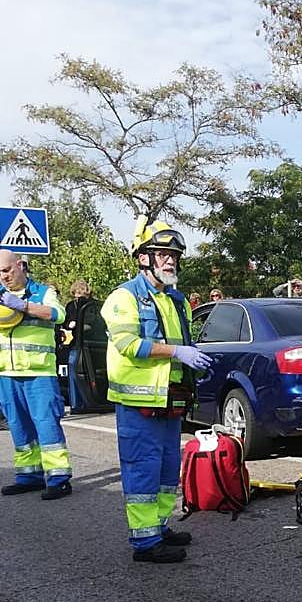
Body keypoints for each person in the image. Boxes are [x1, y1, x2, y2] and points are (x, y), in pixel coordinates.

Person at [102, 217, 212, 563]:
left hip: (169, 396)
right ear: (143, 257)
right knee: (142, 469)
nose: (170, 260)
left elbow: (181, 343)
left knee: (166, 470)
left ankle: (160, 527)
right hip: (138, 400)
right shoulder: (124, 296)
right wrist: (177, 352)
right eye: (162, 254)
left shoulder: (173, 298)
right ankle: (145, 542)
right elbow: (126, 343)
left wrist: (192, 365)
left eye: (174, 255)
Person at [0, 251, 73, 499]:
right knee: (18, 426)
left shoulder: (42, 292)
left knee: (46, 424)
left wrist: (24, 306)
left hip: (38, 372)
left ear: (20, 265)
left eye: (7, 270)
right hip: (3, 371)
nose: (4, 276)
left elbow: (59, 314)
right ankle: (29, 475)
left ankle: (59, 479)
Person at [62, 280, 99, 414]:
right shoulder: (71, 305)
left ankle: (89, 402)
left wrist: (79, 325)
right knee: (73, 369)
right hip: (77, 343)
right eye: (76, 295)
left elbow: (94, 322)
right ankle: (76, 403)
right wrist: (71, 324)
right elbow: (66, 323)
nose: (78, 298)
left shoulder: (93, 306)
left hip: (91, 342)